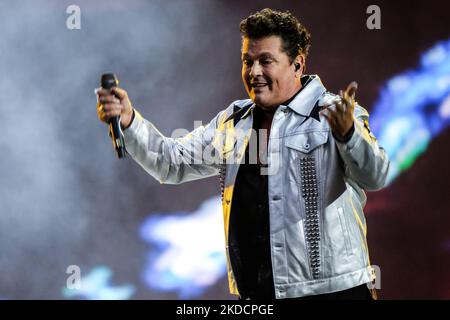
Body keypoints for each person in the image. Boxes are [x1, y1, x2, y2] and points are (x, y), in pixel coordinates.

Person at [96, 8, 390, 300]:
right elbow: (171, 163)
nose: (254, 72)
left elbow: (376, 176)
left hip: (333, 291)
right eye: (247, 61)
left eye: (266, 61)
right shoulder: (233, 122)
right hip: (257, 296)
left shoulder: (334, 113)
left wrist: (348, 135)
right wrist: (129, 121)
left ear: (297, 65)